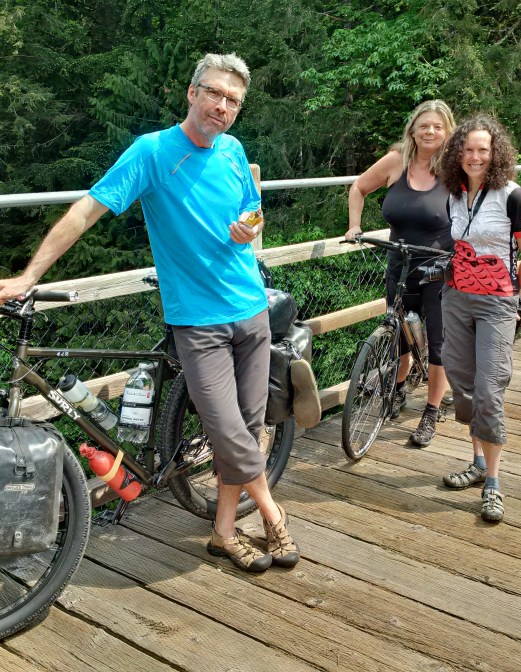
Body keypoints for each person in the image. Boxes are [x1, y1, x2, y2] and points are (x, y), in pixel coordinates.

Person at [0, 53, 300, 572]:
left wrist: (251, 228)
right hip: (197, 319)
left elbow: (255, 211)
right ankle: (274, 515)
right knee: (227, 430)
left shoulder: (232, 151)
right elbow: (87, 209)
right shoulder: (154, 152)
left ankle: (225, 532)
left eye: (233, 100)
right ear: (192, 93)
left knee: (247, 429)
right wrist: (29, 276)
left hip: (251, 308)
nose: (222, 107)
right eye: (214, 94)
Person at [439, 114, 521, 522]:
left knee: (490, 386)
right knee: (462, 381)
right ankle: (477, 462)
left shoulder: (512, 196)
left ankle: (494, 483)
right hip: (457, 297)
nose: (475, 156)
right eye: (468, 149)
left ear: (495, 152)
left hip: (497, 302)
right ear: (458, 154)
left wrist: (515, 295)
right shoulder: (454, 194)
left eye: (483, 150)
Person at [345, 100, 455, 447]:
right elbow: (358, 188)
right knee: (399, 333)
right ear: (413, 129)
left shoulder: (454, 170)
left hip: (439, 267)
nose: (430, 132)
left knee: (438, 345)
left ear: (447, 131)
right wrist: (355, 226)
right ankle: (397, 387)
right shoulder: (396, 162)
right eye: (424, 125)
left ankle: (431, 412)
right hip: (398, 261)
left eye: (438, 126)